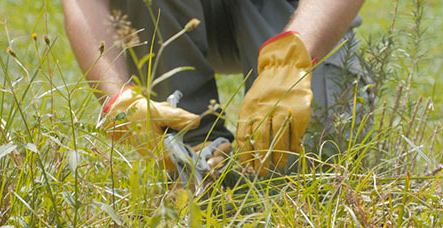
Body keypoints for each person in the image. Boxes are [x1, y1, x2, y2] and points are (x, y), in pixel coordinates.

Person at [61, 0, 369, 176]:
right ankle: (195, 151)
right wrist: (117, 97)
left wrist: (294, 57)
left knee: (308, 168)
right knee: (191, 174)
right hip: (181, 10)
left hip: (293, 9)